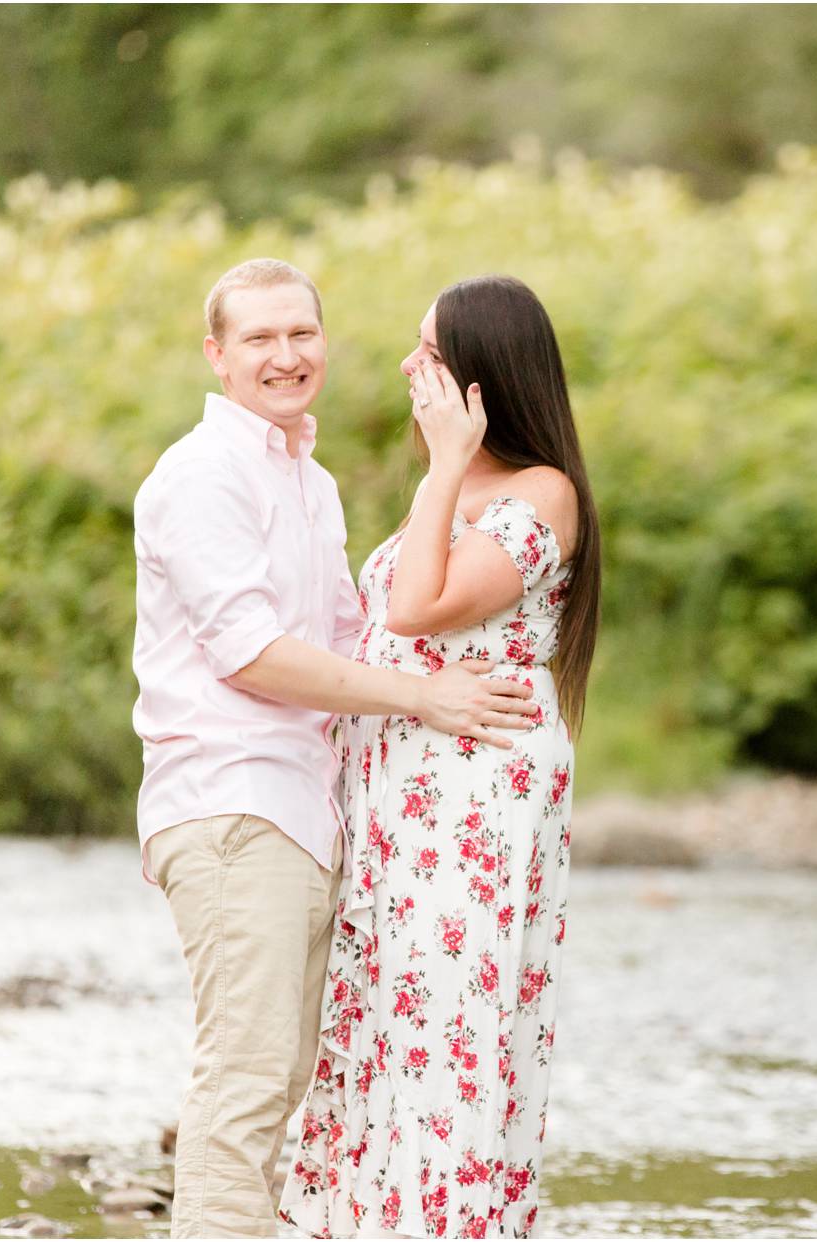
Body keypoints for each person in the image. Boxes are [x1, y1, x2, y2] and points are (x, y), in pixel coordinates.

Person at [132, 258, 542, 1239]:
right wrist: (424, 698)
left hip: (304, 814)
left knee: (283, 1082)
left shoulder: (308, 480)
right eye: (260, 339)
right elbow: (255, 658)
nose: (284, 356)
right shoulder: (203, 474)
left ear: (323, 343)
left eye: (300, 335)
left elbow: (356, 637)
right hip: (234, 807)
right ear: (217, 356)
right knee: (246, 1078)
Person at [279, 275, 600, 1239]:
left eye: (430, 352)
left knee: (447, 1024)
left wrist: (443, 467)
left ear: (483, 376)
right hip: (402, 798)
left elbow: (418, 609)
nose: (410, 369)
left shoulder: (542, 493)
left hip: (473, 795)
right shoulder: (459, 488)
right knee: (382, 1018)